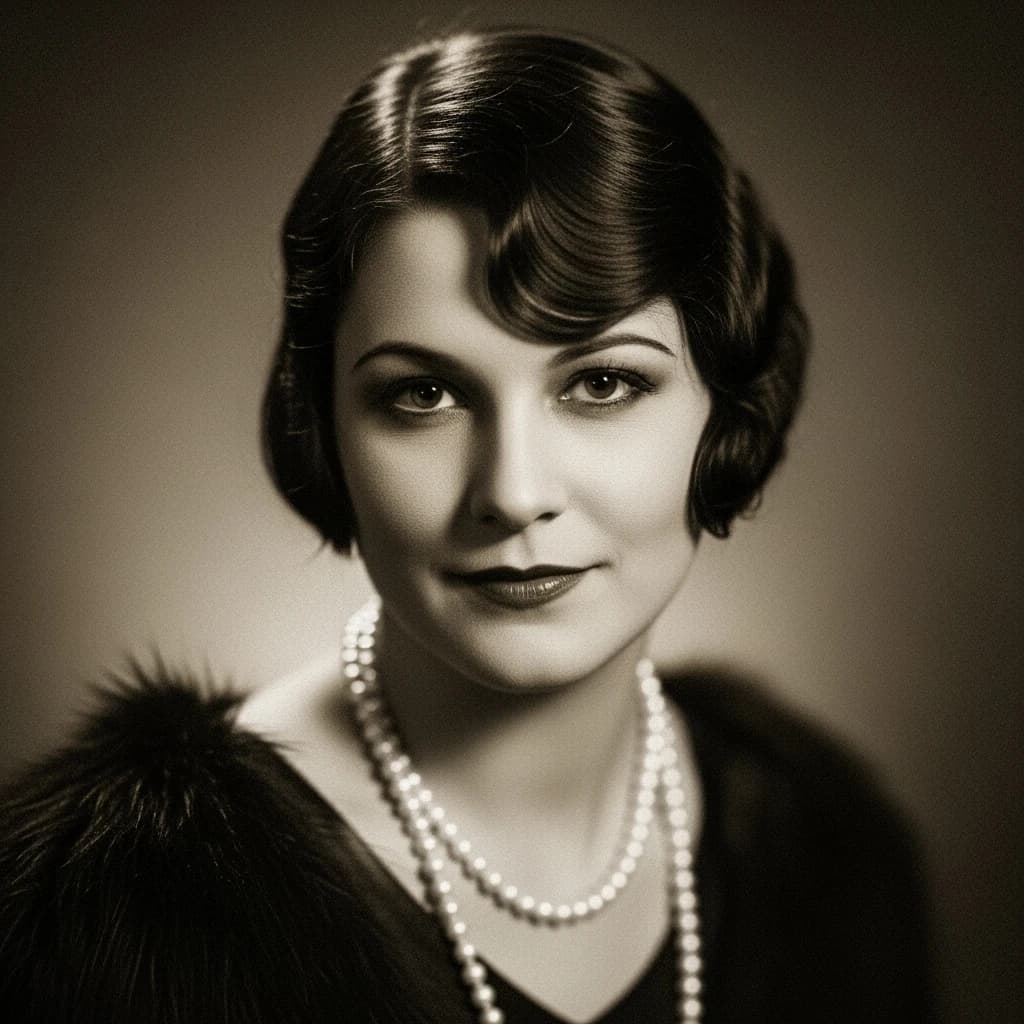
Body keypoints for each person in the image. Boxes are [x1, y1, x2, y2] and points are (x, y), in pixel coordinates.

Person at [0, 26, 931, 1024]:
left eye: (603, 382)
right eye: (426, 394)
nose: (514, 490)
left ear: (725, 407)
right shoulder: (112, 924)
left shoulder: (831, 864)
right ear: (323, 425)